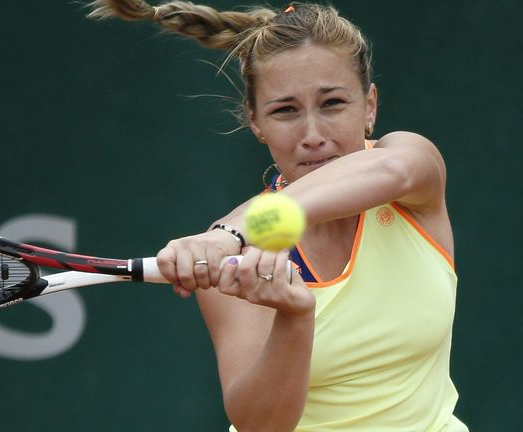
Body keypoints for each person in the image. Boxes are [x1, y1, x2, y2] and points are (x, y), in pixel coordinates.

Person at [89, 1, 468, 431]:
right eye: (285, 110)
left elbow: (390, 170)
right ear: (255, 121)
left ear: (370, 106)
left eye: (333, 103)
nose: (313, 136)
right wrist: (293, 317)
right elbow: (261, 424)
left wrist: (233, 233)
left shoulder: (413, 165)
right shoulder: (227, 261)